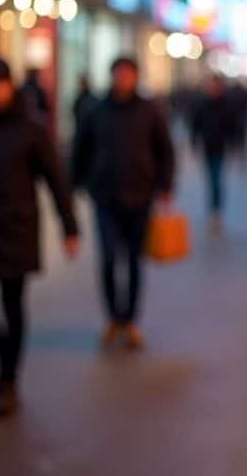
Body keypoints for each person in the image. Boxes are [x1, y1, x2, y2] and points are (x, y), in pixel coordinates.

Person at [0, 57, 79, 418]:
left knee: (13, 305)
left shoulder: (30, 128)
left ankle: (7, 382)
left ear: (9, 86)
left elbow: (55, 180)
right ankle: (5, 352)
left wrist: (70, 227)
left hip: (15, 229)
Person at [72, 57, 174, 350]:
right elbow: (81, 148)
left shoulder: (149, 110)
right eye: (119, 74)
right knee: (106, 258)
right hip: (104, 196)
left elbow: (164, 150)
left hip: (140, 197)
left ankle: (129, 321)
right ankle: (113, 318)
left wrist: (165, 185)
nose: (123, 79)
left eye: (128, 74)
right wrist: (76, 182)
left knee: (132, 260)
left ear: (136, 77)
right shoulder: (96, 110)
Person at [189, 75, 236, 221]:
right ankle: (214, 207)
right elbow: (195, 125)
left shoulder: (226, 104)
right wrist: (194, 143)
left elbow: (232, 126)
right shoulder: (201, 104)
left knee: (216, 177)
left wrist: (234, 144)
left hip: (220, 147)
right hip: (207, 146)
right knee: (211, 177)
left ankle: (216, 208)